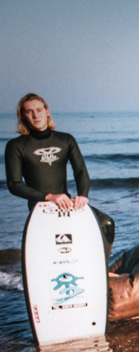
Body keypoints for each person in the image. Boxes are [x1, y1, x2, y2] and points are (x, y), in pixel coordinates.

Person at [4, 93, 115, 258]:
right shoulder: (16, 146)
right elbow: (14, 184)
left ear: (47, 111)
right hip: (40, 207)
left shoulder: (66, 140)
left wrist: (82, 196)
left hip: (66, 204)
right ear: (23, 116)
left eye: (39, 109)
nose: (36, 115)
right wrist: (48, 197)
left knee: (106, 223)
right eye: (29, 111)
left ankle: (101, 269)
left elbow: (81, 171)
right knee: (52, 244)